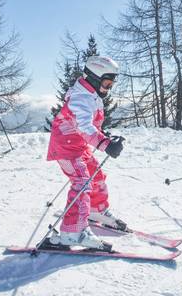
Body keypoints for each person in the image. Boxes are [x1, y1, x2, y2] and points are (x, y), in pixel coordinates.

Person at [46, 55, 125, 250]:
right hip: (66, 148)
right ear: (95, 78)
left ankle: (95, 211)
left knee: (96, 176)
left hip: (78, 145)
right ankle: (72, 233)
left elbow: (90, 125)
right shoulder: (80, 98)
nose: (108, 89)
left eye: (110, 85)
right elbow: (83, 127)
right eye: (106, 83)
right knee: (81, 182)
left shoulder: (91, 94)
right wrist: (105, 144)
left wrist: (104, 135)